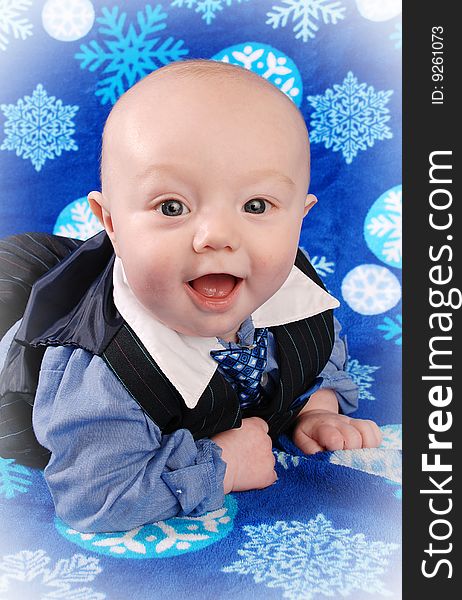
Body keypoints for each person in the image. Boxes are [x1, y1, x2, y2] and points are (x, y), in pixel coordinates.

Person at [0, 59, 381, 533]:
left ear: (298, 219)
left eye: (256, 206)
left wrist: (315, 406)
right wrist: (221, 465)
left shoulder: (289, 289)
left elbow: (322, 344)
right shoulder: (104, 369)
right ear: (111, 222)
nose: (218, 235)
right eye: (172, 206)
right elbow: (94, 497)